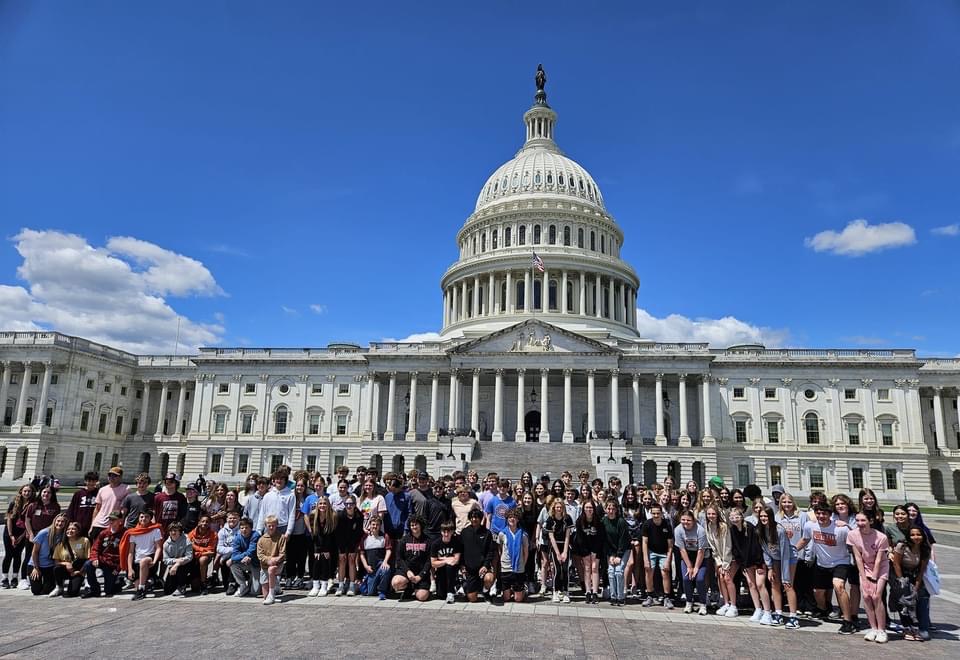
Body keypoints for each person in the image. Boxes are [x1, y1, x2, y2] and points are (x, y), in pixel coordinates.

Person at [804, 504, 854, 634]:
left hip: (840, 562)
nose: (821, 516)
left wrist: (848, 526)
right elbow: (805, 540)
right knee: (818, 592)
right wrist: (792, 551)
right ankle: (823, 609)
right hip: (822, 563)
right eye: (818, 513)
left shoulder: (841, 529)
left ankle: (848, 621)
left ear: (830, 515)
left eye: (824, 514)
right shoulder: (810, 526)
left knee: (838, 586)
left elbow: (853, 543)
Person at [847, 511, 890, 642]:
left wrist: (874, 578)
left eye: (863, 520)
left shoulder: (881, 537)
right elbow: (858, 558)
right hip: (865, 567)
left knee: (876, 596)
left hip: (880, 568)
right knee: (866, 596)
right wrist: (864, 578)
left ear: (870, 521)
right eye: (857, 520)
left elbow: (879, 560)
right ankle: (873, 628)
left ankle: (882, 630)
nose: (860, 524)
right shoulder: (852, 535)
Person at [756, 505, 797, 628]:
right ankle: (778, 613)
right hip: (775, 559)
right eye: (761, 516)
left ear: (771, 516)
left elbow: (785, 552)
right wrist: (769, 568)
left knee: (787, 584)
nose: (763, 518)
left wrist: (785, 574)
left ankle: (793, 616)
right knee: (774, 583)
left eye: (766, 516)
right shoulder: (760, 530)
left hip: (788, 559)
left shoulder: (779, 530)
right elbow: (765, 550)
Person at [891, 525, 932, 641]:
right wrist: (901, 581)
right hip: (899, 573)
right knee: (904, 599)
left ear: (923, 536)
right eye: (912, 535)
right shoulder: (902, 545)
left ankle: (919, 627)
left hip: (914, 574)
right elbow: (896, 564)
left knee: (919, 596)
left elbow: (922, 570)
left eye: (918, 534)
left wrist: (917, 587)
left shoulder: (925, 549)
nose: (916, 537)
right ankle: (906, 627)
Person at [728, 506, 768, 622]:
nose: (734, 519)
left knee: (760, 585)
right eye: (732, 517)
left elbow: (756, 548)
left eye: (737, 516)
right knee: (751, 584)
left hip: (757, 561)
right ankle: (758, 609)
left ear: (742, 517)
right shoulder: (732, 530)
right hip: (746, 563)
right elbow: (736, 549)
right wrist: (742, 564)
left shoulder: (750, 528)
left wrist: (759, 564)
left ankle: (767, 611)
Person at [119, 510, 163, 601]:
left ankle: (141, 589)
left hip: (150, 559)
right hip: (137, 562)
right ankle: (151, 582)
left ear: (150, 518)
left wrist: (154, 561)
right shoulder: (133, 532)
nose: (144, 519)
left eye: (146, 517)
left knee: (144, 562)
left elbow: (158, 548)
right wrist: (130, 569)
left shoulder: (156, 530)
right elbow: (131, 552)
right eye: (141, 517)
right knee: (136, 585)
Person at [704, 504, 737, 617]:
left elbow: (727, 546)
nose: (711, 516)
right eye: (709, 514)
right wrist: (718, 562)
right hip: (719, 558)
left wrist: (725, 564)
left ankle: (733, 606)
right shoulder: (708, 526)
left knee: (727, 578)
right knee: (720, 577)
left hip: (730, 558)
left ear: (717, 514)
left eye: (713, 513)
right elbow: (713, 546)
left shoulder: (723, 526)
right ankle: (726, 603)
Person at [674, 510, 709, 615]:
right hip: (687, 555)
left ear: (693, 520)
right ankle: (689, 601)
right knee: (686, 577)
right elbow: (682, 549)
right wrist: (689, 566)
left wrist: (696, 567)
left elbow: (701, 551)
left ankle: (703, 603)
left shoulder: (700, 530)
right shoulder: (678, 530)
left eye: (688, 520)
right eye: (683, 520)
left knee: (700, 578)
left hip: (701, 556)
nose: (685, 522)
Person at [83, 510, 123, 598]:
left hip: (113, 564)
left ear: (120, 520)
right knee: (88, 564)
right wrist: (94, 559)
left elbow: (126, 553)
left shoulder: (124, 533)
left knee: (108, 591)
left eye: (114, 519)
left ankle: (117, 581)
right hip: (102, 560)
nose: (111, 521)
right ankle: (94, 589)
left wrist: (118, 568)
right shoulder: (104, 533)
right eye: (110, 519)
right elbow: (95, 548)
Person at [641, 503, 674, 608]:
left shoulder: (667, 525)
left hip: (664, 552)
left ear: (661, 513)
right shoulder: (647, 524)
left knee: (665, 572)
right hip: (651, 551)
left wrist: (668, 560)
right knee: (649, 570)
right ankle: (650, 595)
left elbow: (670, 545)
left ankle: (667, 597)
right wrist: (646, 559)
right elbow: (644, 542)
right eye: (653, 513)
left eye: (657, 513)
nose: (656, 515)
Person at [392, 516, 431, 602]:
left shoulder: (427, 540)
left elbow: (429, 561)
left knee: (422, 597)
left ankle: (417, 588)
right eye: (412, 525)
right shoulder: (404, 540)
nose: (414, 527)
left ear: (421, 525)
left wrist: (420, 576)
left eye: (416, 524)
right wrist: (407, 571)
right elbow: (399, 558)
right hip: (407, 571)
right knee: (396, 583)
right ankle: (408, 587)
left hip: (421, 572)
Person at [461, 508, 496, 602]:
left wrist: (485, 565)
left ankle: (485, 591)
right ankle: (465, 585)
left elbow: (490, 551)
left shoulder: (487, 533)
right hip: (470, 570)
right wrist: (462, 566)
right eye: (472, 517)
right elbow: (461, 550)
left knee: (489, 578)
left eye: (476, 517)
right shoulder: (464, 532)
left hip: (482, 569)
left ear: (480, 519)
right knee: (472, 599)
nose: (474, 519)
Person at [3, 483, 33, 589]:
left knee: (17, 555)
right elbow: (9, 519)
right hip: (10, 532)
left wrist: (22, 536)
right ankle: (5, 577)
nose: (27, 493)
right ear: (21, 491)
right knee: (8, 555)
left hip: (22, 533)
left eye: (29, 491)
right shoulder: (14, 503)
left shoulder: (32, 505)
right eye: (25, 491)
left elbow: (30, 522)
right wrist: (11, 535)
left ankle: (15, 577)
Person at [28, 513, 67, 595]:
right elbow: (35, 552)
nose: (60, 523)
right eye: (58, 521)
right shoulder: (44, 533)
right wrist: (36, 568)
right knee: (36, 591)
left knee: (47, 590)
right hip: (36, 564)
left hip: (49, 565)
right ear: (54, 521)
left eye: (63, 522)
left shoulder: (64, 535)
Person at [543, 498, 573, 603]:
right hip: (555, 547)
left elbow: (567, 537)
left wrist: (564, 552)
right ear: (554, 508)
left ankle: (565, 592)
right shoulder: (550, 520)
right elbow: (551, 537)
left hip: (565, 545)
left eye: (560, 507)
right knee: (557, 570)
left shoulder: (567, 518)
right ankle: (555, 591)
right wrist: (557, 554)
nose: (559, 509)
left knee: (565, 570)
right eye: (557, 507)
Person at [308, 496, 338, 597]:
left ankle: (324, 585)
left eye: (325, 504)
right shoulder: (313, 516)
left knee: (325, 560)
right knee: (316, 560)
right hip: (317, 543)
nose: (322, 506)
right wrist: (317, 549)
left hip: (330, 544)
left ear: (328, 505)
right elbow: (315, 534)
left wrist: (326, 549)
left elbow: (331, 535)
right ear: (317, 505)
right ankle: (315, 585)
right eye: (320, 504)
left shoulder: (333, 516)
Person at [51, 521, 90, 597]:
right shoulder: (61, 544)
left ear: (78, 531)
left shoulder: (84, 540)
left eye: (73, 529)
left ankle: (79, 582)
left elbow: (87, 559)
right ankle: (59, 587)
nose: (70, 531)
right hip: (66, 569)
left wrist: (80, 571)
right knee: (57, 568)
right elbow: (56, 561)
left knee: (72, 593)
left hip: (78, 570)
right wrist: (66, 563)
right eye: (68, 529)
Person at [497, 508, 528, 603]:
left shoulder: (523, 534)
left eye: (514, 517)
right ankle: (509, 590)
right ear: (507, 519)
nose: (512, 519)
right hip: (506, 567)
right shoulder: (502, 534)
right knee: (506, 599)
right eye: (510, 517)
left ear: (518, 519)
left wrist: (522, 564)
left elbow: (525, 552)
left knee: (518, 600)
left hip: (519, 568)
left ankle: (521, 590)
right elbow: (500, 549)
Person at [603, 498, 630, 607]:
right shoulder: (603, 521)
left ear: (616, 510)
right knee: (610, 572)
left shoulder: (621, 522)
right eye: (608, 508)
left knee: (618, 571)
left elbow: (623, 540)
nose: (610, 511)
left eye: (613, 508)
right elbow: (604, 540)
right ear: (605, 509)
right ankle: (613, 596)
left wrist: (618, 556)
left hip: (623, 550)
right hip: (611, 551)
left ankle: (620, 597)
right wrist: (610, 555)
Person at [334, 495, 363, 596]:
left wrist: (353, 548)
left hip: (353, 541)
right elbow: (338, 533)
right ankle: (341, 585)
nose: (349, 506)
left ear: (355, 505)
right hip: (342, 541)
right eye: (347, 504)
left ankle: (351, 585)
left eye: (351, 504)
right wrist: (341, 549)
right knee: (342, 561)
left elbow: (358, 533)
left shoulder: (359, 516)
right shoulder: (340, 516)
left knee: (351, 561)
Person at [576, 499, 603, 604]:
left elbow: (600, 537)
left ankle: (595, 592)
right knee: (587, 569)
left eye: (591, 507)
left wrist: (595, 552)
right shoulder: (580, 521)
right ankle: (588, 591)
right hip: (585, 548)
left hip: (596, 548)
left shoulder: (598, 521)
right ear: (583, 509)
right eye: (587, 507)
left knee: (595, 568)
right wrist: (586, 552)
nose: (589, 509)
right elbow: (579, 538)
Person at [89, 467, 128, 540]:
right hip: (98, 523)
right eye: (110, 475)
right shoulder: (102, 490)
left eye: (115, 476)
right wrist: (92, 524)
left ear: (120, 477)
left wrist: (120, 522)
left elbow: (124, 509)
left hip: (112, 524)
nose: (111, 477)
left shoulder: (126, 489)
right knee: (94, 547)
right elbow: (97, 508)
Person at [257, 515, 287, 605]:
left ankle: (272, 593)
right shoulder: (261, 539)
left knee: (271, 570)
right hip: (265, 565)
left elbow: (283, 553)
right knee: (265, 597)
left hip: (277, 564)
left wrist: (276, 560)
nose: (271, 527)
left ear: (277, 525)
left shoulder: (281, 537)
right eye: (269, 525)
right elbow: (260, 555)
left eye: (273, 525)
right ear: (265, 526)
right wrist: (268, 560)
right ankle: (274, 587)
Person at [360, 516, 392, 600]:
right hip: (371, 569)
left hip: (380, 565)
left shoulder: (384, 536)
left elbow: (388, 551)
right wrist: (366, 566)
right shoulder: (365, 538)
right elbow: (362, 554)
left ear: (380, 526)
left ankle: (382, 591)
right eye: (373, 524)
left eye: (377, 525)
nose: (375, 526)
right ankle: (369, 582)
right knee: (370, 592)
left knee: (386, 570)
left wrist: (385, 562)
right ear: (370, 525)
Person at [430, 521, 462, 603]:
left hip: (452, 570)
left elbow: (456, 561)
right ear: (441, 532)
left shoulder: (456, 542)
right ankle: (446, 589)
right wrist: (446, 560)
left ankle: (451, 592)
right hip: (440, 570)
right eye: (444, 531)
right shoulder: (436, 544)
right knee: (441, 595)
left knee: (450, 567)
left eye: (449, 532)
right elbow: (433, 563)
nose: (446, 534)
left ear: (452, 532)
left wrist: (441, 559)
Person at [229, 516, 261, 597]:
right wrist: (239, 558)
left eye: (246, 527)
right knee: (233, 564)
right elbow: (234, 554)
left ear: (251, 528)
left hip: (255, 563)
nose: (244, 530)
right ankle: (242, 584)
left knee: (255, 592)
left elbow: (251, 550)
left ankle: (251, 579)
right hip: (244, 562)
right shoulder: (237, 537)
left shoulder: (255, 535)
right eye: (242, 528)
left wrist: (247, 556)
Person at [187, 514, 217, 595]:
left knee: (203, 559)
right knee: (195, 587)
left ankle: (204, 583)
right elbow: (189, 546)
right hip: (194, 557)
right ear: (198, 522)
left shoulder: (213, 534)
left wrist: (197, 550)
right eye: (203, 521)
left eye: (207, 522)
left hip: (205, 558)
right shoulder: (191, 534)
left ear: (210, 524)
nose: (205, 523)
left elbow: (211, 550)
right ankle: (185, 582)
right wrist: (202, 551)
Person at [161, 522, 194, 597]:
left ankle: (182, 586)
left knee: (181, 568)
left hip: (187, 564)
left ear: (180, 531)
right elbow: (165, 560)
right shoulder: (166, 544)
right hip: (173, 566)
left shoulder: (186, 540)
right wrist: (176, 561)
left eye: (175, 530)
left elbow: (189, 556)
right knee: (167, 590)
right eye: (171, 531)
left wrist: (178, 563)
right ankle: (183, 582)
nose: (173, 532)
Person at [65, 472, 99, 537]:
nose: (91, 483)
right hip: (79, 524)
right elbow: (71, 509)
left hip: (92, 524)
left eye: (93, 481)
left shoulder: (99, 493)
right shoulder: (78, 494)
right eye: (89, 481)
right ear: (85, 481)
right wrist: (71, 522)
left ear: (96, 482)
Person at [216, 510, 242, 594]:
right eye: (230, 518)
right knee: (223, 561)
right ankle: (226, 584)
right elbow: (219, 548)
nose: (232, 520)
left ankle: (233, 583)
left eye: (235, 518)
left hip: (238, 554)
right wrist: (232, 549)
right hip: (226, 555)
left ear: (239, 519)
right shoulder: (222, 531)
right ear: (227, 519)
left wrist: (230, 551)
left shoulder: (241, 530)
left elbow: (242, 547)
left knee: (231, 559)